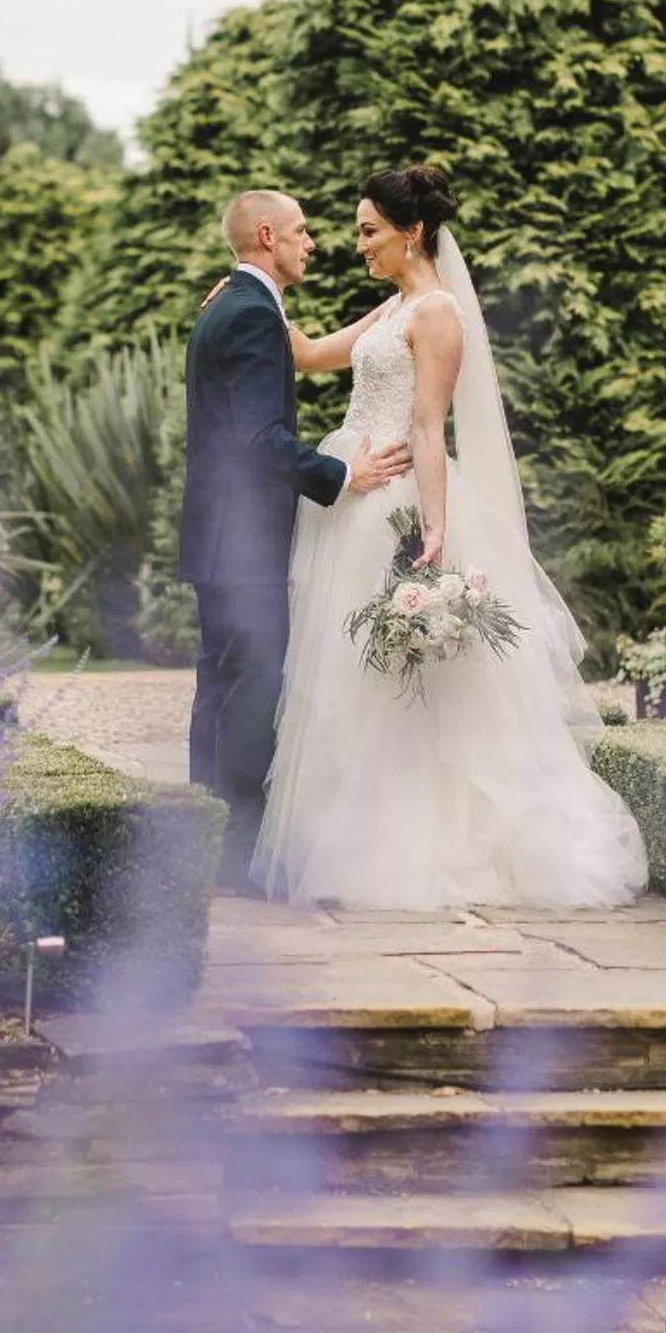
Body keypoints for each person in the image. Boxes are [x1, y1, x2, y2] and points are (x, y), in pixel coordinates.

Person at [247, 164, 647, 909]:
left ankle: (428, 845)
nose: (358, 243)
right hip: (352, 499)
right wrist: (245, 294)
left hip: (397, 503)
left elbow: (430, 426)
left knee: (407, 685)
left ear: (413, 232)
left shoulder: (436, 314)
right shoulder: (391, 308)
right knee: (348, 678)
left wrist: (433, 531)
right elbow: (308, 354)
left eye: (369, 231)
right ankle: (354, 837)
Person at [178, 190, 408, 882]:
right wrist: (342, 473)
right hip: (242, 540)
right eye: (303, 231)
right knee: (253, 689)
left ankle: (202, 843)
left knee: (220, 685)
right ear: (268, 235)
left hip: (218, 538)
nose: (313, 243)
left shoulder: (237, 305)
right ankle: (236, 856)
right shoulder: (248, 311)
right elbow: (259, 438)